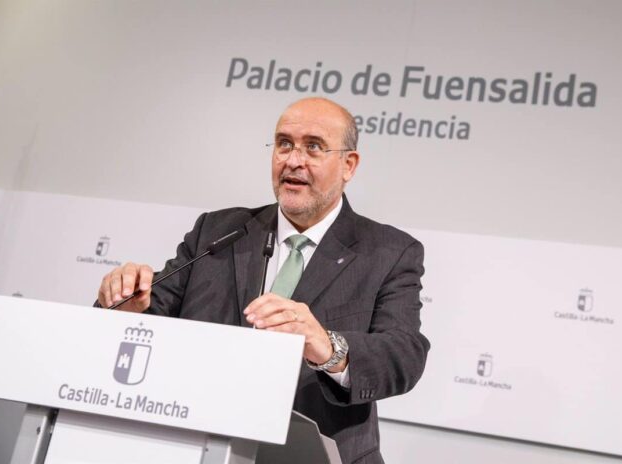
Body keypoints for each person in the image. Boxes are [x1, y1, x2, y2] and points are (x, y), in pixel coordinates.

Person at [97, 97, 429, 464]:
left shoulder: (388, 251)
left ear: (348, 164)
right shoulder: (218, 232)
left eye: (313, 147)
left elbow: (404, 354)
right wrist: (126, 304)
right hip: (201, 446)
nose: (293, 160)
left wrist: (327, 345)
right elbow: (148, 313)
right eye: (284, 144)